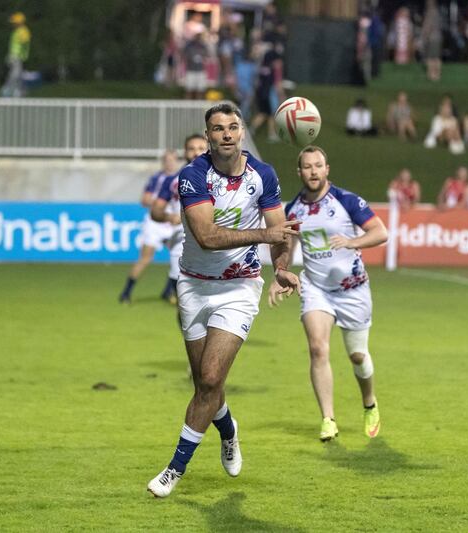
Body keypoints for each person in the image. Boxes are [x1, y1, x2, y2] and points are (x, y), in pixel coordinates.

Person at [146, 102, 301, 498]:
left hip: (239, 287)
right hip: (194, 286)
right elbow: (207, 237)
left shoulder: (262, 175)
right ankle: (228, 430)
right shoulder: (192, 176)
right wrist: (266, 238)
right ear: (208, 136)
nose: (227, 134)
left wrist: (281, 266)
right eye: (218, 128)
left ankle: (174, 470)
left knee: (212, 378)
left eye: (233, 126)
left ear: (243, 132)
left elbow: (280, 231)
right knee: (204, 384)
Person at [269, 145, 388, 441]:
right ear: (299, 172)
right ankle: (328, 419)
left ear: (327, 169)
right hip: (316, 288)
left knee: (358, 356)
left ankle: (369, 403)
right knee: (318, 348)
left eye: (318, 165)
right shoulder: (293, 209)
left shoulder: (347, 201)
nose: (313, 171)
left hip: (353, 289)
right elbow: (286, 247)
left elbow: (380, 232)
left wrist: (351, 241)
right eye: (307, 166)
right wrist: (280, 272)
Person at [148, 134, 210, 303]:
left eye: (201, 148)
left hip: (213, 243)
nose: (196, 153)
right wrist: (168, 216)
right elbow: (156, 211)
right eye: (192, 149)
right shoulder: (173, 180)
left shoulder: (220, 178)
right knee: (185, 306)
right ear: (185, 153)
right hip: (182, 244)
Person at [118, 150, 180, 304]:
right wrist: (162, 202)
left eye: (172, 160)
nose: (170, 163)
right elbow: (145, 200)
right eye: (167, 160)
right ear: (163, 162)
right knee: (146, 258)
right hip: (156, 222)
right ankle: (126, 292)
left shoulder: (182, 177)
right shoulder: (157, 179)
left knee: (180, 258)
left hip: (174, 223)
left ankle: (168, 291)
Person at [249, 42, 283, 143]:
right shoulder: (274, 70)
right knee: (272, 114)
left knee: (263, 113)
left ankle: (250, 130)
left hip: (260, 93)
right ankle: (272, 134)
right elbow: (277, 84)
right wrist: (281, 95)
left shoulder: (262, 68)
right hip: (269, 94)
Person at [0, 12, 31, 97]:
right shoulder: (17, 31)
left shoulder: (22, 31)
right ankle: (17, 90)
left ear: (19, 22)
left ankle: (10, 90)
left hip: (17, 56)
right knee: (16, 73)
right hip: (14, 56)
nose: (12, 24)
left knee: (16, 74)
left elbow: (24, 42)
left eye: (14, 22)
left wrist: (21, 54)